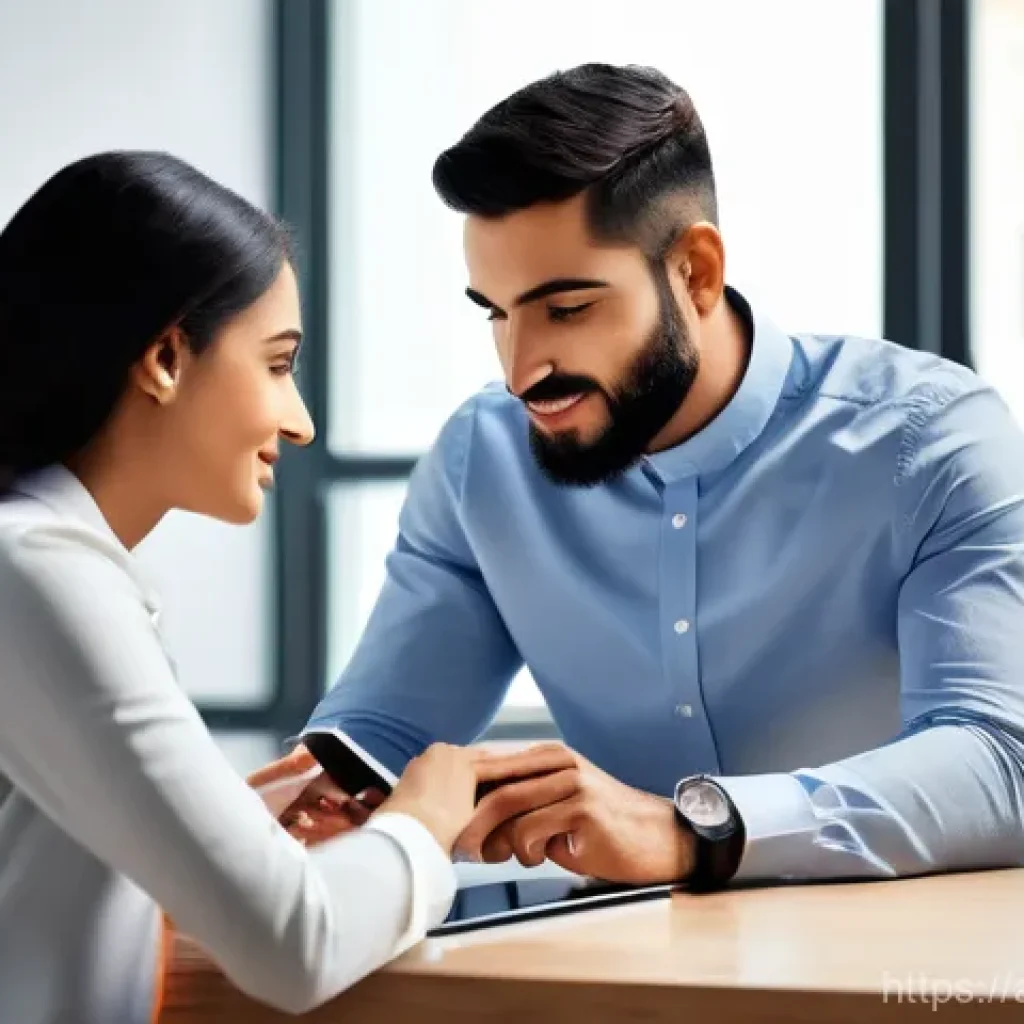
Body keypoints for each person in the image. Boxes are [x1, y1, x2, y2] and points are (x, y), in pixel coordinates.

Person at [268, 63, 1024, 889]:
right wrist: (306, 801)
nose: (521, 368)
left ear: (695, 272)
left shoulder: (930, 440)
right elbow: (383, 730)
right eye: (496, 312)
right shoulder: (481, 462)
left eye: (567, 309)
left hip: (895, 974)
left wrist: (697, 830)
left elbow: (1002, 760)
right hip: (625, 972)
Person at [0, 151, 491, 1024]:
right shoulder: (38, 572)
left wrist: (237, 820)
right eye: (277, 364)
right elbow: (293, 947)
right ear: (164, 356)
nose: (300, 422)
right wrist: (425, 825)